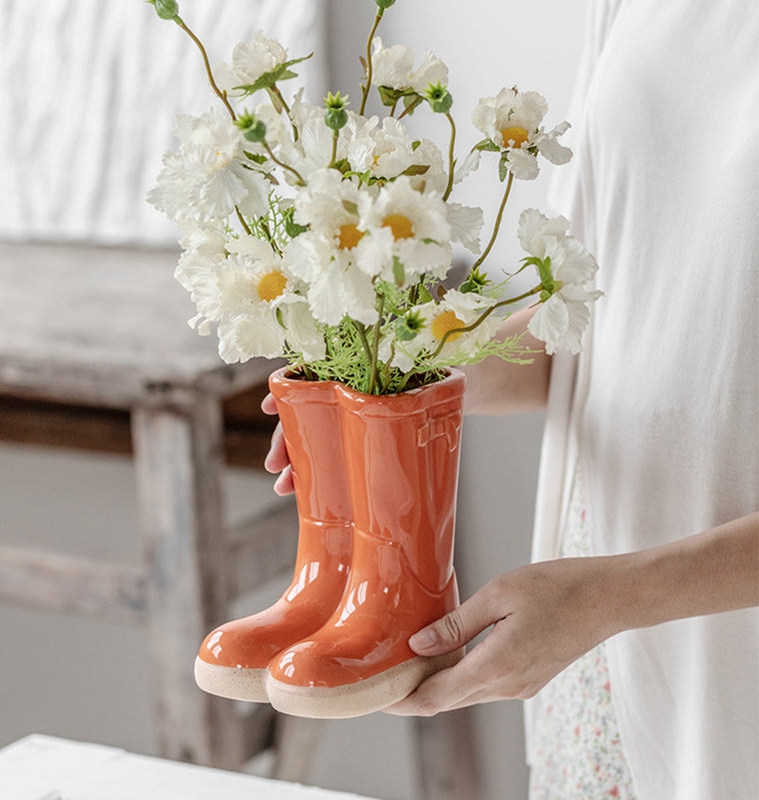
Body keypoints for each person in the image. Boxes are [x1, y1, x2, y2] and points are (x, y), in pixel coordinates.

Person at [264, 1, 759, 797]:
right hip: (604, 664)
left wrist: (616, 594)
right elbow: (595, 322)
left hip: (698, 643)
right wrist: (397, 382)